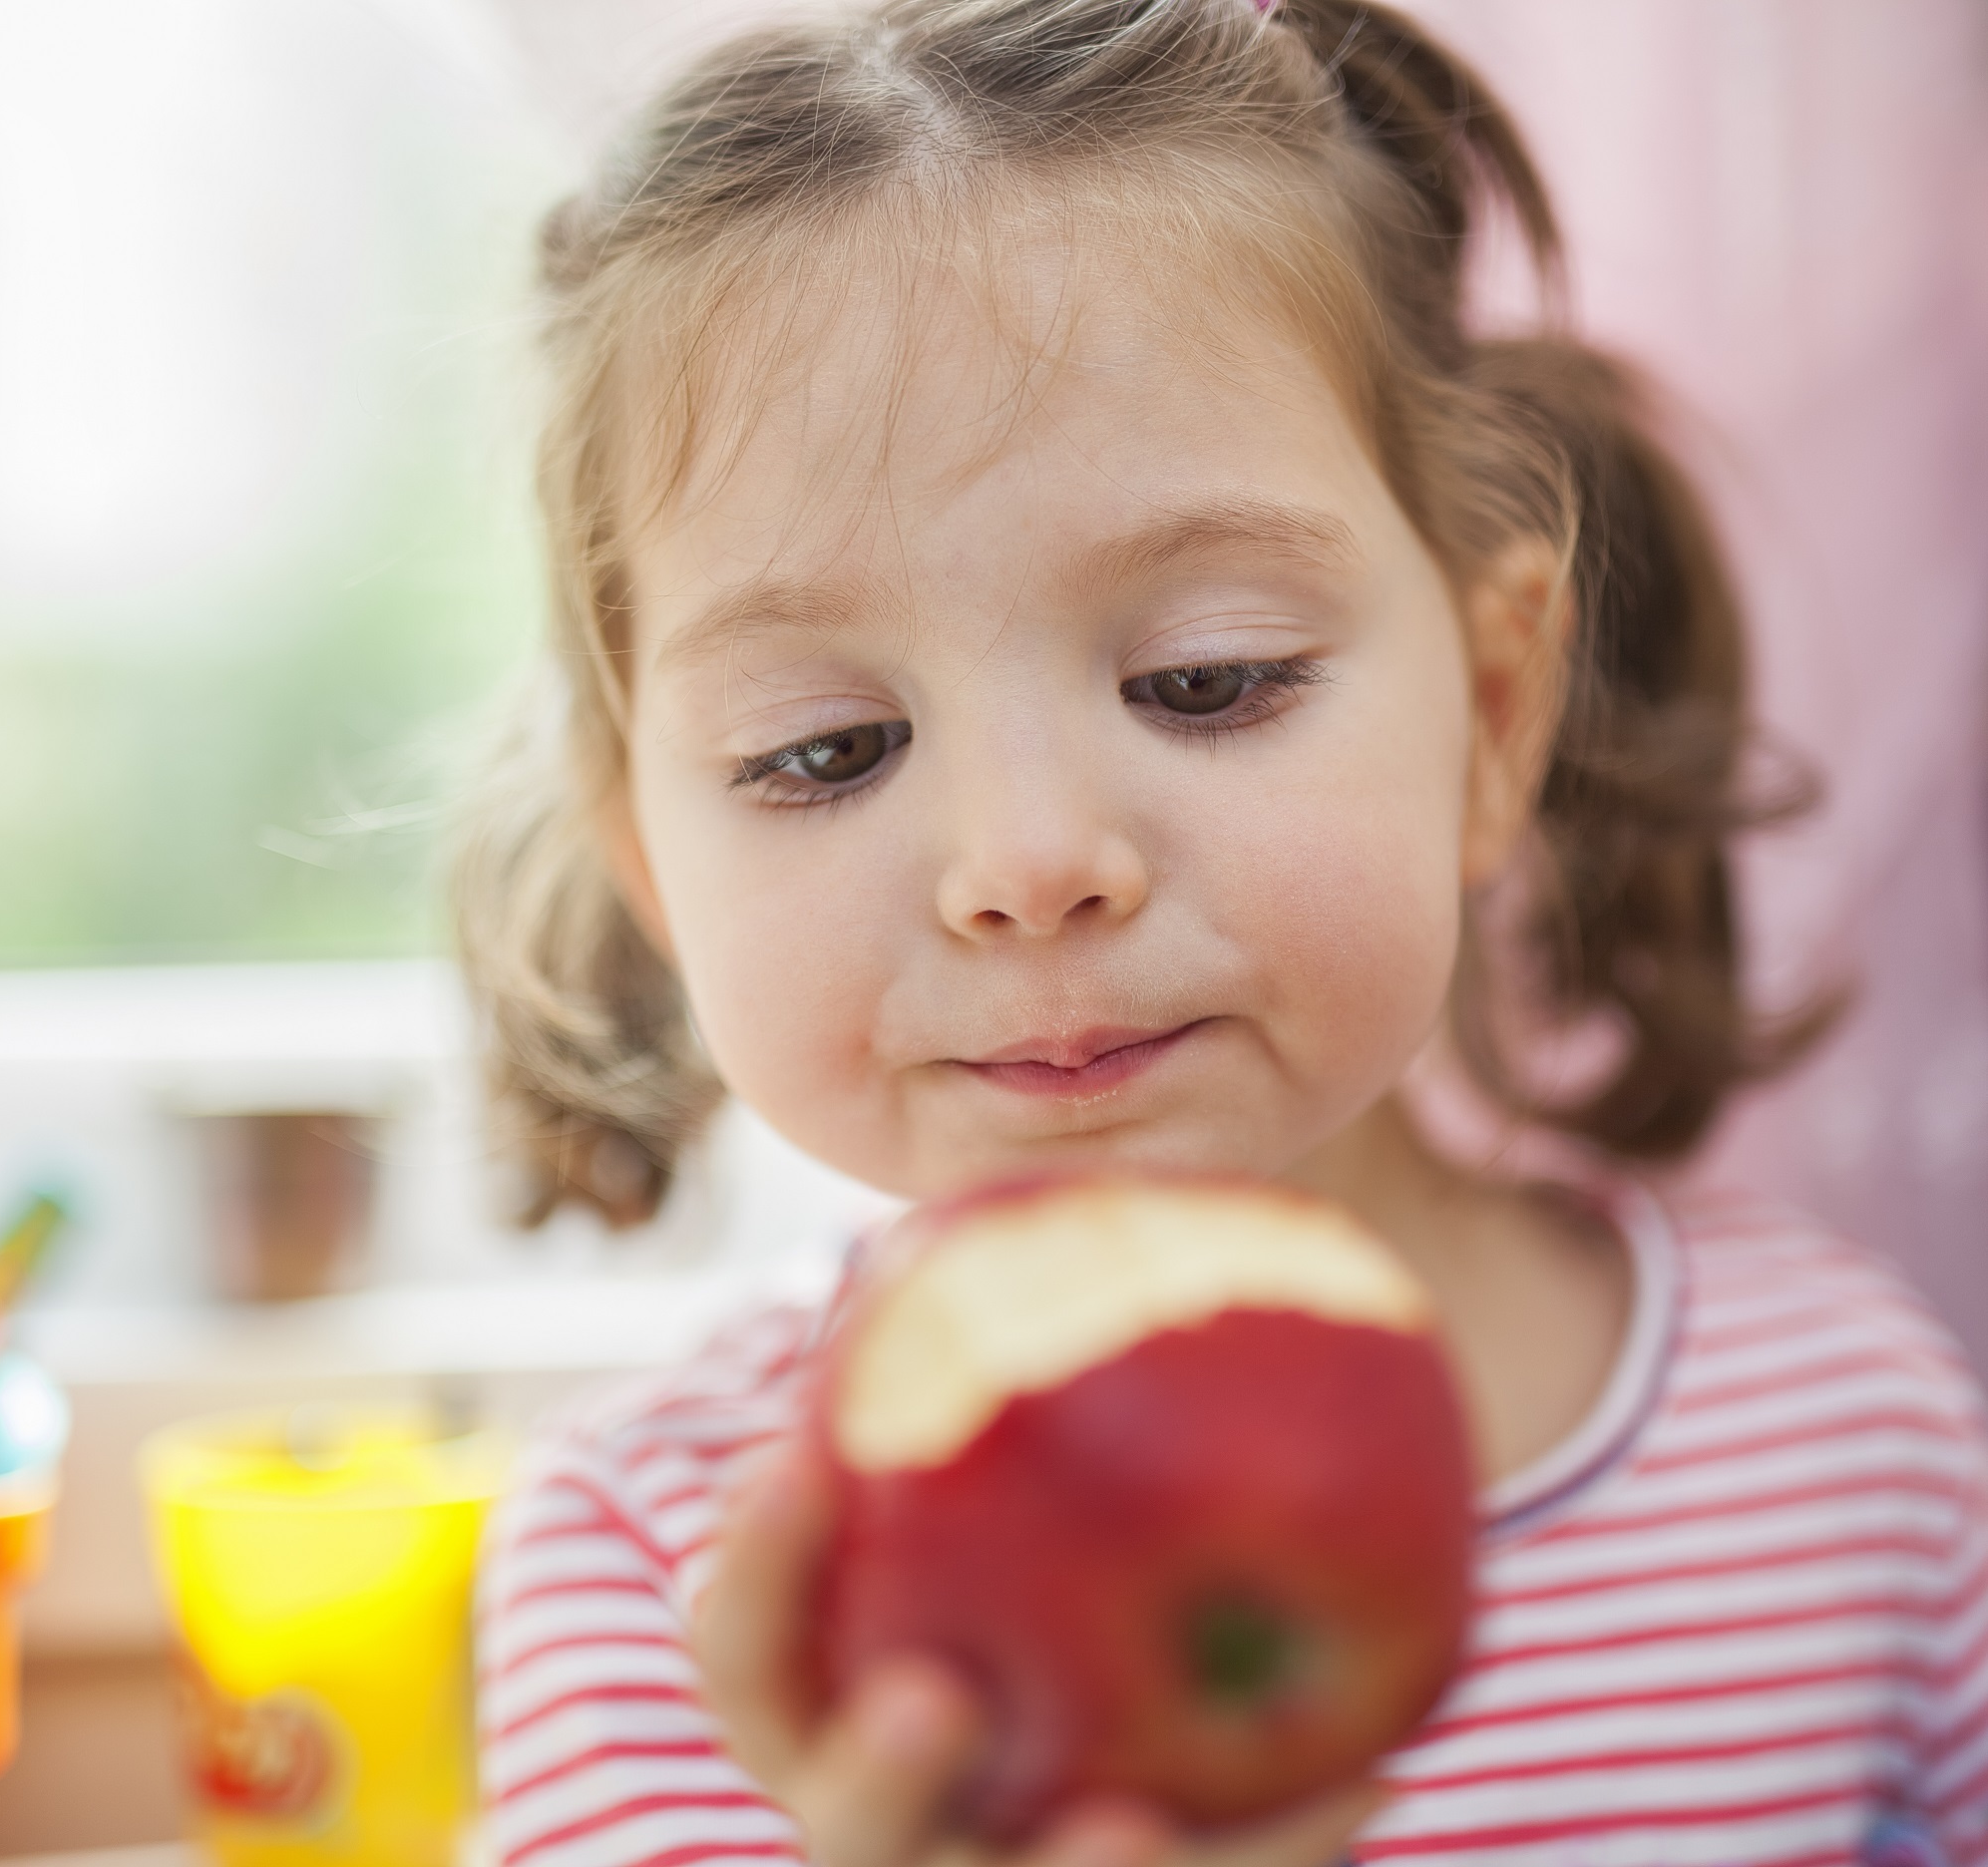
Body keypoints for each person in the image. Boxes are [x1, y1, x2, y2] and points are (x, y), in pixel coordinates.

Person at [451, 2, 1988, 1862]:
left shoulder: (1848, 1447)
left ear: (1493, 718)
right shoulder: (666, 1577)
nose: (1025, 863)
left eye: (1206, 678)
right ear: (652, 872)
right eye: (824, 751)